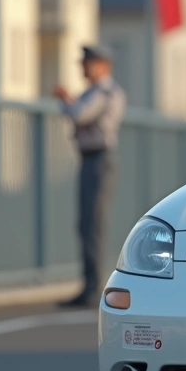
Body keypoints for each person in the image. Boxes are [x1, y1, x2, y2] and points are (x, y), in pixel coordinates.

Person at [55, 44, 127, 308]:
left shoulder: (106, 91)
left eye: (88, 63)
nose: (83, 68)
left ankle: (93, 286)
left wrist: (65, 99)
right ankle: (88, 283)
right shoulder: (95, 91)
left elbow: (80, 114)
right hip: (90, 159)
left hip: (100, 159)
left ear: (102, 65)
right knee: (86, 223)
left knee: (94, 223)